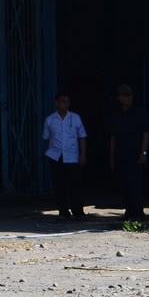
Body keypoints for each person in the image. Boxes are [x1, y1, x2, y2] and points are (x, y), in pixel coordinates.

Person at [107, 83, 149, 222]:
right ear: (118, 98)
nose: (126, 99)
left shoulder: (139, 113)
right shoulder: (116, 115)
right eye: (123, 96)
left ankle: (138, 213)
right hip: (120, 155)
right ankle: (128, 212)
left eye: (128, 96)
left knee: (135, 185)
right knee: (124, 185)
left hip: (135, 155)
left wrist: (143, 153)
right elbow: (113, 137)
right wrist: (112, 157)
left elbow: (145, 133)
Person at [42, 92, 87, 220]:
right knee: (59, 185)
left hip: (72, 157)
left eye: (67, 102)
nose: (65, 104)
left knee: (75, 185)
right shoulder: (50, 120)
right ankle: (63, 212)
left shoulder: (75, 118)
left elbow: (82, 137)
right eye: (63, 101)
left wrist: (83, 155)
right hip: (56, 156)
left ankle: (78, 212)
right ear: (57, 103)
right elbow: (47, 138)